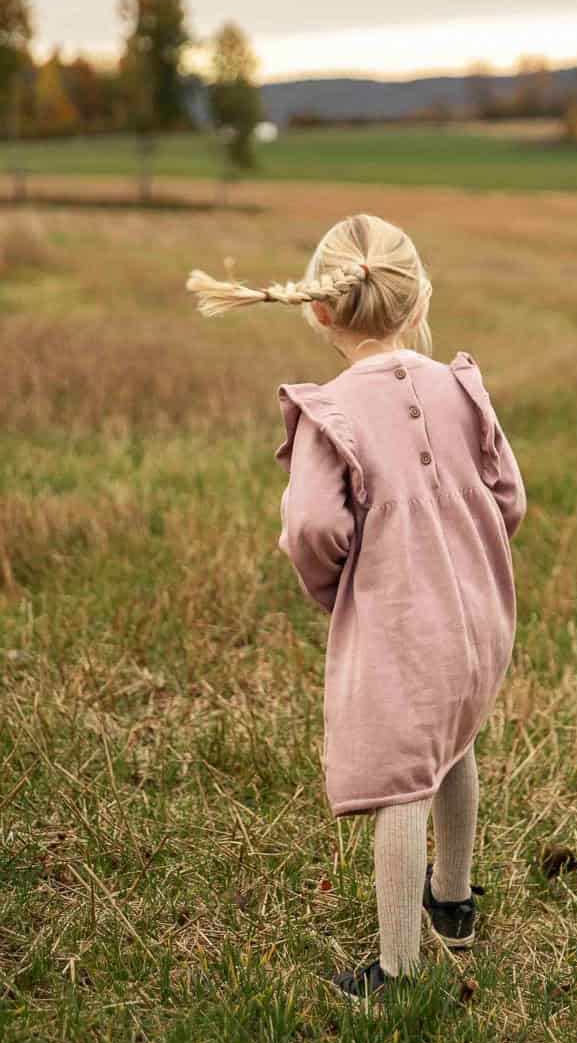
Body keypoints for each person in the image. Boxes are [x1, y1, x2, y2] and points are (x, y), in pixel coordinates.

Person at [187, 212, 526, 1000]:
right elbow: (507, 495)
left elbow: (311, 526)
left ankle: (398, 972)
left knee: (398, 778)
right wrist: (473, 553)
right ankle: (452, 904)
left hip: (400, 618)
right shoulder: (459, 384)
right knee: (450, 737)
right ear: (418, 298)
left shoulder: (328, 412)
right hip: (479, 614)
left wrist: (333, 585)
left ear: (318, 310)